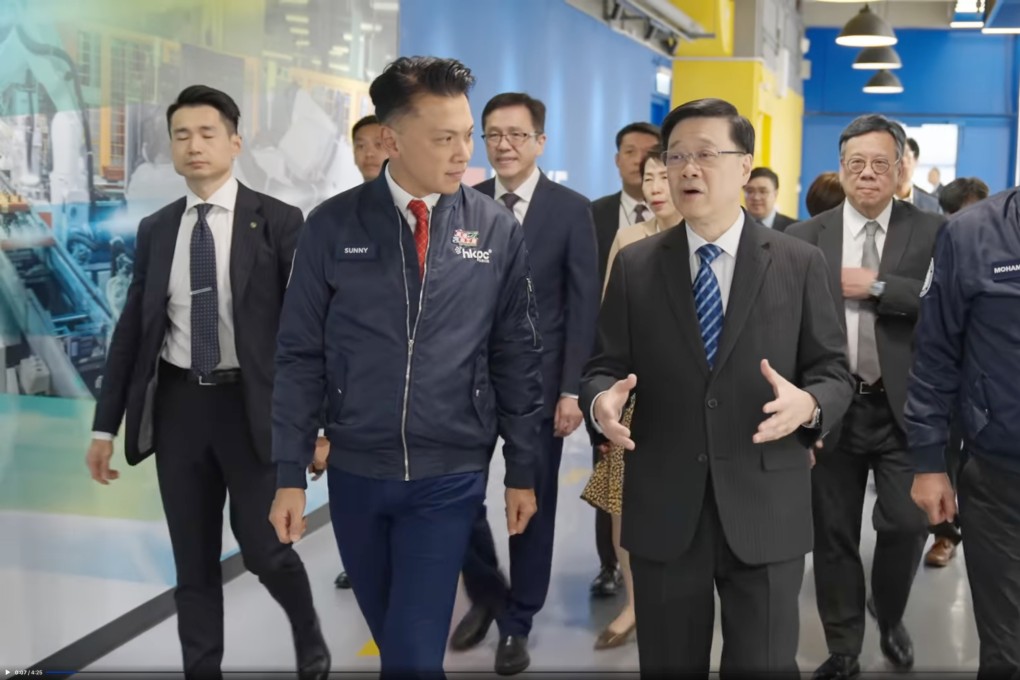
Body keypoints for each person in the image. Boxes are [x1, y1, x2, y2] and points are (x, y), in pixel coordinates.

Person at [268, 56, 543, 680]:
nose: (464, 153)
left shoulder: (495, 229)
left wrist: (521, 470)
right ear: (391, 140)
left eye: (466, 135)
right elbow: (299, 353)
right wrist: (289, 473)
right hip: (356, 474)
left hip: (449, 475)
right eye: (444, 138)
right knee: (396, 645)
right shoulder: (331, 226)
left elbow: (516, 355)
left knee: (414, 657)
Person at [580, 97, 853, 678]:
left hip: (766, 501)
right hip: (664, 502)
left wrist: (809, 405)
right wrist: (602, 400)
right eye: (676, 156)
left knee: (763, 665)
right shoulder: (636, 265)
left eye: (705, 154)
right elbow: (604, 366)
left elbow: (833, 372)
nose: (687, 169)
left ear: (745, 165)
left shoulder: (799, 262)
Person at [86, 85, 330, 680]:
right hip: (180, 409)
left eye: (206, 133)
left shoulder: (278, 221)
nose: (193, 145)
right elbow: (132, 332)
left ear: (235, 142)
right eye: (181, 135)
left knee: (265, 549)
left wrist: (319, 425)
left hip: (252, 407)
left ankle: (307, 632)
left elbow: (311, 332)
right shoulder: (156, 228)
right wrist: (103, 428)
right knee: (192, 562)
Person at [787, 114, 945, 680]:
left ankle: (891, 613)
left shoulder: (933, 231)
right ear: (841, 168)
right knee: (832, 534)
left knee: (906, 523)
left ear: (900, 169)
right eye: (857, 163)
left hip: (905, 409)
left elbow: (944, 304)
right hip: (832, 406)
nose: (869, 173)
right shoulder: (805, 236)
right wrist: (801, 415)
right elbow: (786, 328)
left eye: (881, 163)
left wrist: (877, 287)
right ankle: (845, 646)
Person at [448, 92, 600, 674]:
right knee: (456, 496)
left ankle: (518, 620)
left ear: (540, 141)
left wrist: (571, 389)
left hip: (538, 386)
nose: (503, 144)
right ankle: (488, 592)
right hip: (464, 382)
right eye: (492, 134)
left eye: (516, 134)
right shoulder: (460, 203)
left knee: (530, 503)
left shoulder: (570, 210)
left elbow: (582, 305)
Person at [905, 185, 1020, 679]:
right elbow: (935, 355)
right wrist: (929, 463)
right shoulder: (970, 234)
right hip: (1000, 480)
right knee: (1007, 649)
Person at [581, 145, 682, 651]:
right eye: (649, 177)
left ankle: (686, 601)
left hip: (694, 398)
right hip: (636, 395)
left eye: (665, 176)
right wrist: (604, 407)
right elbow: (609, 327)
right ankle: (636, 603)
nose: (656, 187)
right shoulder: (629, 238)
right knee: (624, 507)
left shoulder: (709, 239)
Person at [319, 113, 392, 592]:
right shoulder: (336, 219)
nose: (368, 153)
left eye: (376, 143)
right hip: (354, 387)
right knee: (362, 492)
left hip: (415, 388)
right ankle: (367, 560)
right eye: (359, 144)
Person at [587, 120, 660, 598]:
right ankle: (614, 572)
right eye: (632, 154)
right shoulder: (606, 224)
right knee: (613, 484)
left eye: (656, 163)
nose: (646, 173)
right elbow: (599, 307)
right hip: (619, 376)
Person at [920, 176, 990, 568]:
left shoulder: (1001, 250)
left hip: (988, 383)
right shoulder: (935, 249)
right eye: (953, 217)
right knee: (943, 455)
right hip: (942, 378)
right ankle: (945, 534)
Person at [743, 166, 796, 231]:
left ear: (775, 194)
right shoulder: (736, 226)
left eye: (763, 191)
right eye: (750, 191)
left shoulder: (793, 229)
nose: (756, 197)